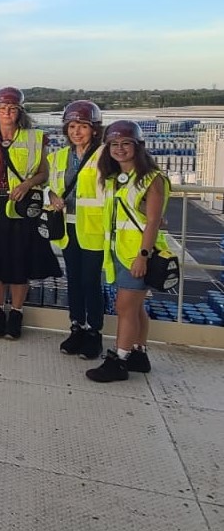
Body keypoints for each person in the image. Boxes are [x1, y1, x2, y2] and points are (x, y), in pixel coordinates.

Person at [0, 87, 62, 339]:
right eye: (2, 108)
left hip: (21, 208)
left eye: (12, 108)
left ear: (20, 111)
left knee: (18, 263)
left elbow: (44, 173)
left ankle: (16, 313)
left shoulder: (34, 138)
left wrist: (26, 184)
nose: (7, 112)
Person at [87, 121, 169, 382]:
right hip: (119, 253)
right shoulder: (115, 179)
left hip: (137, 255)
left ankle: (119, 361)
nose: (120, 149)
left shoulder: (152, 179)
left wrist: (143, 256)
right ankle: (138, 353)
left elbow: (155, 221)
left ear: (138, 146)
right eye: (114, 144)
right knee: (135, 308)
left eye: (126, 144)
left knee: (124, 307)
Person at [47, 100, 106, 358]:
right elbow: (50, 185)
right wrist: (52, 197)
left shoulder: (105, 156)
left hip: (93, 229)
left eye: (83, 126)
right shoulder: (59, 157)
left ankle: (94, 333)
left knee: (91, 282)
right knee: (73, 281)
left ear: (94, 129)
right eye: (72, 126)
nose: (76, 132)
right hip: (68, 229)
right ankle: (76, 327)